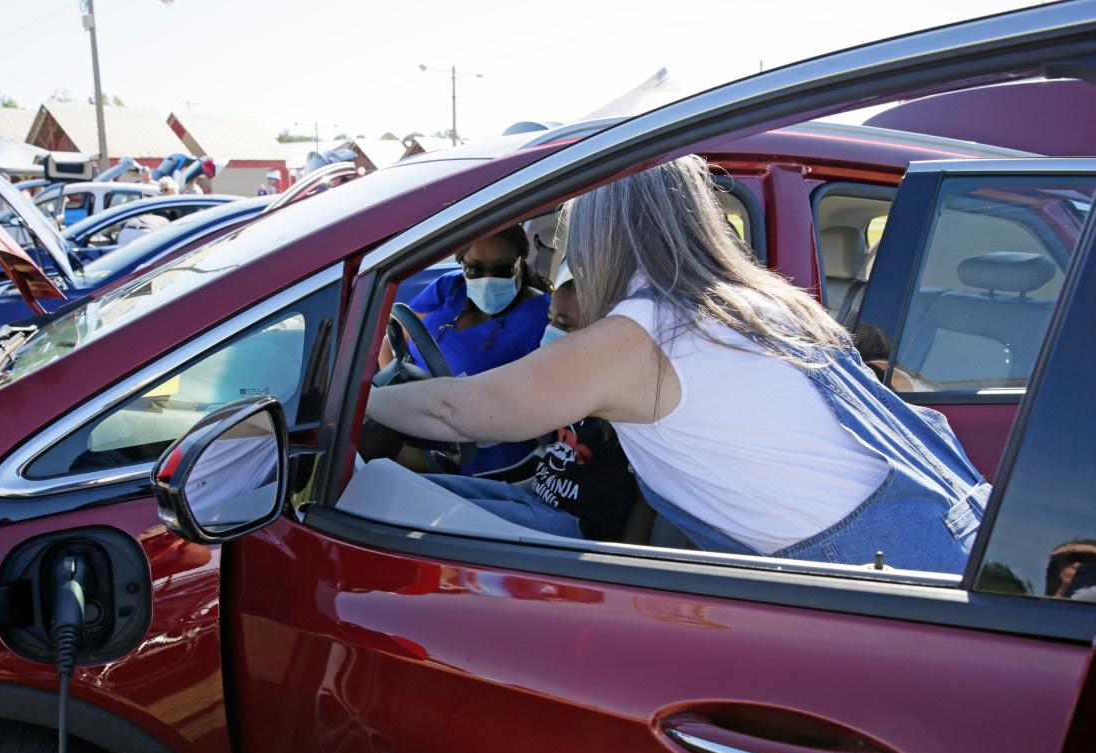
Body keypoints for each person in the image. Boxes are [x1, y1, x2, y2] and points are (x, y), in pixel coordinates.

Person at [366, 156, 989, 572]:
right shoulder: (761, 304)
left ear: (599, 238)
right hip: (940, 549)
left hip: (863, 570)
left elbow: (458, 411)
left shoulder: (647, 331)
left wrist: (357, 402)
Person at [422, 279, 641, 540]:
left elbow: (645, 495)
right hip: (535, 493)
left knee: (428, 518)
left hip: (572, 523)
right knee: (422, 491)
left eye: (564, 324)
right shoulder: (565, 384)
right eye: (549, 320)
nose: (550, 331)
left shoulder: (623, 407)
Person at [377, 224, 551, 473]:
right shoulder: (450, 287)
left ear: (520, 263)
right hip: (411, 417)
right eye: (475, 269)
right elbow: (393, 339)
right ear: (462, 265)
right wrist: (393, 392)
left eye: (502, 269)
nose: (487, 278)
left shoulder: (542, 316)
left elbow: (537, 406)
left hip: (466, 455)